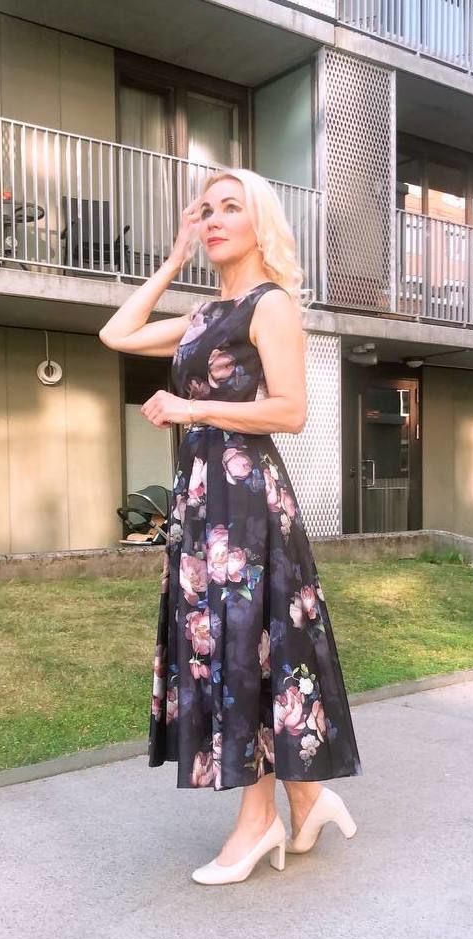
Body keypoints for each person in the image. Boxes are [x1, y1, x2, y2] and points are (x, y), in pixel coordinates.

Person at [99, 168, 362, 885]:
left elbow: (291, 411)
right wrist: (173, 259)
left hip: (246, 503)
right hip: (202, 500)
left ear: (260, 223)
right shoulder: (202, 315)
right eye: (206, 210)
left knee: (246, 646)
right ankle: (306, 799)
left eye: (229, 208)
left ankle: (257, 821)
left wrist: (192, 409)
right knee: (234, 643)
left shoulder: (269, 305)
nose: (213, 219)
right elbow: (116, 332)